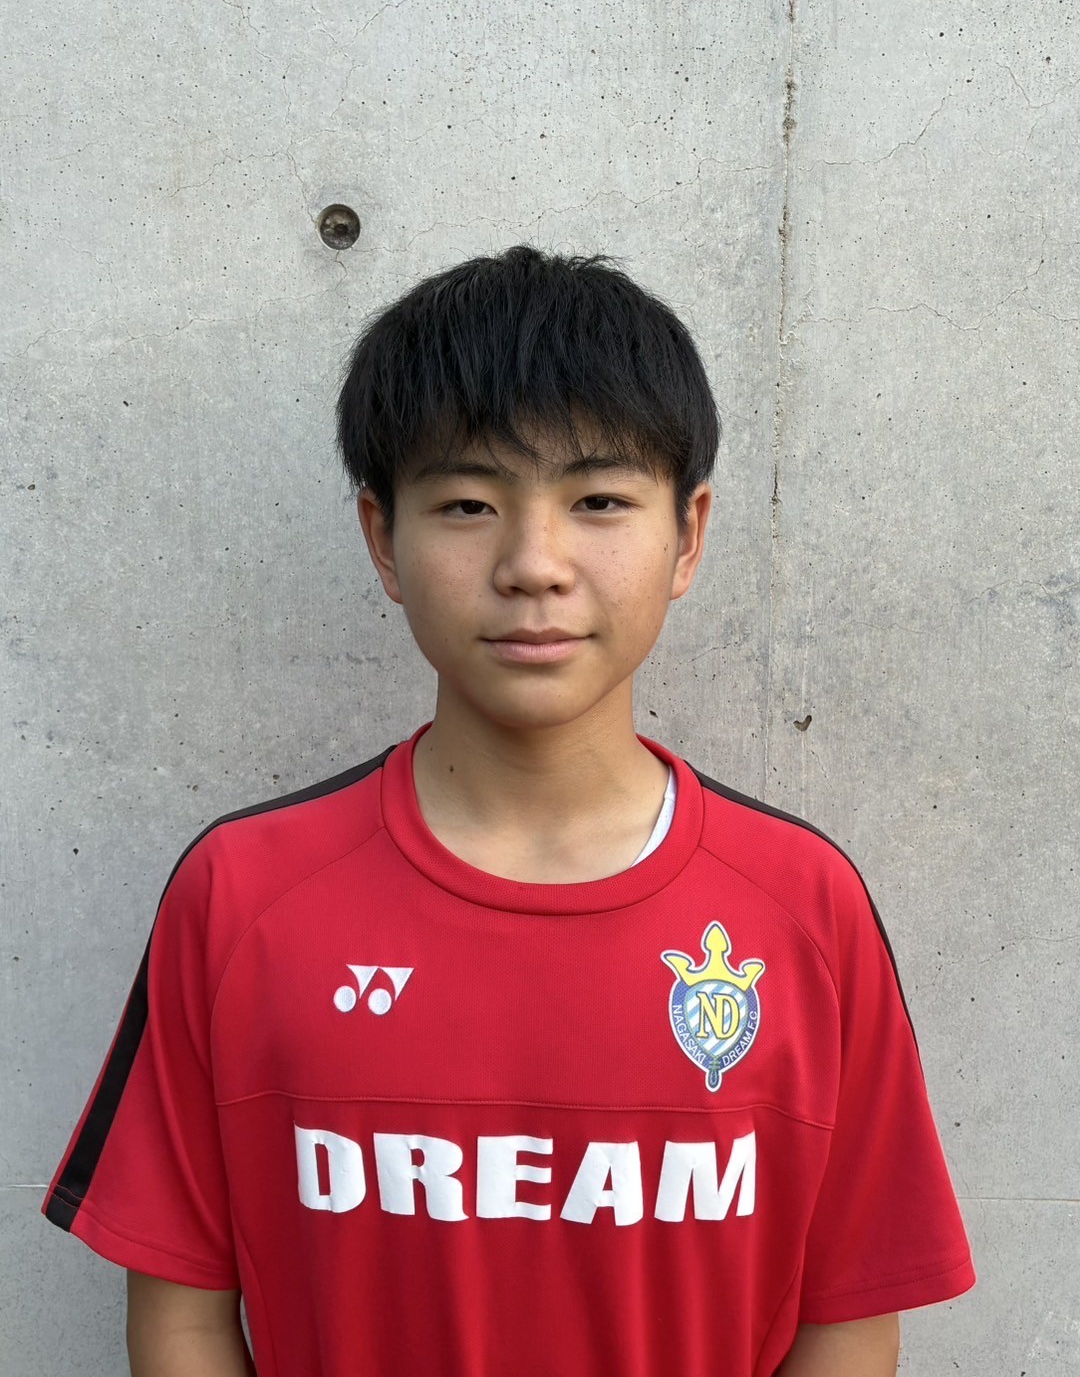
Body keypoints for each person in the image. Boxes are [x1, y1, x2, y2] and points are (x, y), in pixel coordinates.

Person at [43, 244, 974, 1376]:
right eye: (470, 503)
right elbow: (184, 1312)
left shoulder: (802, 908)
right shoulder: (244, 893)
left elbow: (850, 1315)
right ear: (384, 538)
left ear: (687, 535)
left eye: (598, 500)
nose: (534, 563)